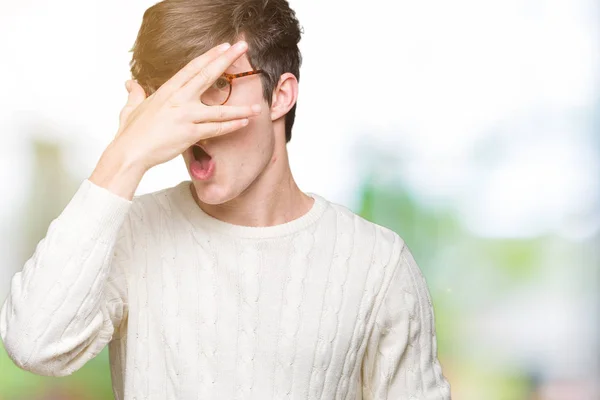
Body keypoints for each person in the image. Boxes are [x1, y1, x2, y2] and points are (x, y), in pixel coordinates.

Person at [0, 0, 452, 399]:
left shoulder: (376, 263)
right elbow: (33, 345)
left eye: (217, 83)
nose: (192, 121)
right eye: (173, 96)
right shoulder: (134, 233)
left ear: (281, 95)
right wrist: (125, 155)